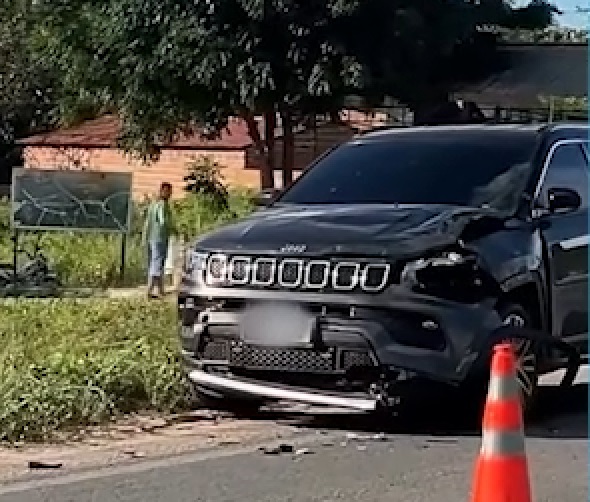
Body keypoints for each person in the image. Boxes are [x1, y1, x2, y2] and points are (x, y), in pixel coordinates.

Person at [142, 181, 175, 298]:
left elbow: (147, 222)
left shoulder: (153, 204)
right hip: (160, 237)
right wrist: (173, 228)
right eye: (168, 191)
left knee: (157, 262)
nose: (170, 193)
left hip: (152, 237)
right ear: (162, 191)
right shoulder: (162, 205)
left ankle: (160, 290)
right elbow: (163, 221)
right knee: (157, 263)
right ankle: (149, 290)